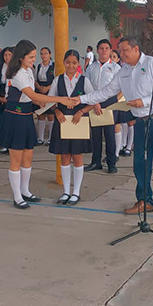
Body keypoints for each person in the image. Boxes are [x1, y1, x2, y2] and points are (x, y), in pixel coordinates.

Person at [71, 37, 153, 221]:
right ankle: (144, 201)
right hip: (141, 121)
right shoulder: (123, 71)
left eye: (125, 50)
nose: (121, 53)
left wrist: (143, 101)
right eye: (120, 50)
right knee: (141, 164)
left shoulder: (152, 64)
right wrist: (82, 100)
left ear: (136, 49)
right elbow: (106, 91)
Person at [0, 39, 72, 209]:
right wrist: (59, 99)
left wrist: (40, 103)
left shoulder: (28, 71)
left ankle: (25, 191)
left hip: (26, 115)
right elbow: (33, 95)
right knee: (16, 158)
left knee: (28, 156)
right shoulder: (17, 74)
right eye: (30, 57)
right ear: (21, 57)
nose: (33, 60)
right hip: (15, 117)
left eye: (34, 56)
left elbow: (31, 97)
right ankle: (17, 196)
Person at [49, 50, 96, 205]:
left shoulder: (84, 80)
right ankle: (65, 192)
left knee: (77, 156)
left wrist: (81, 111)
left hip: (78, 123)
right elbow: (50, 101)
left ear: (78, 64)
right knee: (64, 156)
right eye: (68, 62)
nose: (71, 65)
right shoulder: (57, 80)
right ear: (63, 62)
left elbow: (93, 100)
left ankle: (76, 192)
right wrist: (56, 111)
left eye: (74, 63)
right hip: (62, 122)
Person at [83, 39, 120, 173]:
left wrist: (116, 101)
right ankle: (96, 162)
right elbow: (87, 85)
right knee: (96, 134)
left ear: (110, 50)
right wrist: (94, 102)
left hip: (110, 103)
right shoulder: (91, 67)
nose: (104, 51)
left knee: (110, 134)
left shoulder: (116, 68)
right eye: (101, 48)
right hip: (94, 102)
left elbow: (120, 87)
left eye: (106, 48)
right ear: (97, 50)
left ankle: (111, 163)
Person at [110, 49, 133, 156]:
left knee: (128, 122)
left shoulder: (120, 69)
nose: (112, 59)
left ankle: (128, 146)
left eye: (114, 57)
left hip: (124, 99)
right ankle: (120, 146)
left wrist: (117, 98)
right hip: (113, 99)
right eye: (111, 56)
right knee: (119, 124)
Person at [34, 47, 55, 145]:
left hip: (51, 91)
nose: (44, 56)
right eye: (42, 54)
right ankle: (40, 138)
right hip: (40, 91)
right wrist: (39, 87)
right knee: (40, 115)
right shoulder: (39, 66)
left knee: (51, 115)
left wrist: (47, 88)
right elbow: (35, 79)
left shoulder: (54, 66)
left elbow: (56, 80)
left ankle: (51, 138)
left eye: (46, 53)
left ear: (50, 54)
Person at [0, 46, 13, 154]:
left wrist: (7, 97)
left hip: (11, 93)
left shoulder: (16, 68)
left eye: (9, 55)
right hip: (0, 91)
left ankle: (10, 143)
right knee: (1, 119)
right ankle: (3, 142)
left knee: (9, 120)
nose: (7, 57)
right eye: (5, 55)